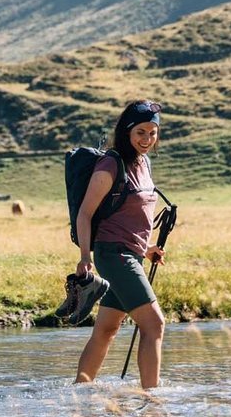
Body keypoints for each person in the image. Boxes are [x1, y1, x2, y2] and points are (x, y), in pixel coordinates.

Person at [72, 100, 168, 389]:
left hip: (131, 254)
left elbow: (132, 214)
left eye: (152, 133)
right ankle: (151, 398)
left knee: (106, 329)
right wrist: (85, 257)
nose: (147, 139)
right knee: (154, 325)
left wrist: (146, 247)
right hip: (113, 255)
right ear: (126, 131)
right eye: (141, 132)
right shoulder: (110, 164)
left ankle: (81, 391)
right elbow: (85, 213)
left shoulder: (144, 163)